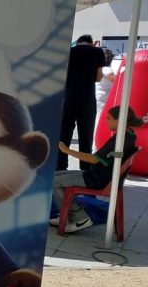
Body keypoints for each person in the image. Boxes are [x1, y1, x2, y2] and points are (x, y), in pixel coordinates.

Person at [52, 106, 143, 233]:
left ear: (119, 121)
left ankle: (79, 217)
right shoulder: (129, 135)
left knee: (53, 182)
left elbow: (94, 159)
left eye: (109, 118)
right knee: (54, 176)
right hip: (99, 174)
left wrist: (67, 151)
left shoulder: (120, 140)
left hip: (98, 179)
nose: (106, 121)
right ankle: (66, 215)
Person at [58, 34, 107, 171]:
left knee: (64, 135)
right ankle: (85, 170)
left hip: (67, 98)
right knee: (86, 137)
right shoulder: (97, 51)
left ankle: (61, 168)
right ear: (91, 43)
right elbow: (98, 78)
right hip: (86, 99)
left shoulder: (69, 51)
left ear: (79, 42)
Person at [96, 48, 116, 115]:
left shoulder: (98, 68)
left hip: (98, 99)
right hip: (101, 100)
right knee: (98, 120)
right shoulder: (106, 69)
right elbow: (115, 80)